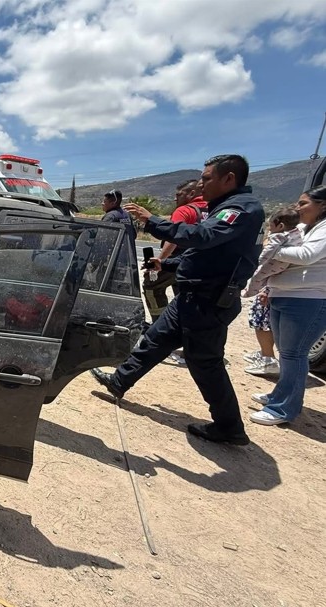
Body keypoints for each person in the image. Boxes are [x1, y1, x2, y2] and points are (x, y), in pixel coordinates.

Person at [91, 154, 264, 446]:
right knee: (156, 339)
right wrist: (167, 265)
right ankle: (119, 381)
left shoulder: (242, 210)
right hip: (193, 296)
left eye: (207, 178)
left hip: (209, 302)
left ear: (229, 178)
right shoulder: (226, 207)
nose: (201, 185)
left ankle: (229, 427)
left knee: (205, 363)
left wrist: (152, 220)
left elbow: (203, 237)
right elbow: (206, 254)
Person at [249, 186, 326, 426]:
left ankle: (284, 409)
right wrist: (268, 289)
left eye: (304, 203)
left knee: (295, 354)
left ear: (322, 205)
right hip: (283, 295)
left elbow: (306, 256)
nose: (298, 207)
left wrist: (272, 250)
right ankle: (279, 396)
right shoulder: (303, 228)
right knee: (287, 352)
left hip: (308, 299)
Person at [241, 207, 302, 376]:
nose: (270, 229)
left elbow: (266, 254)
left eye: (271, 226)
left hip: (272, 284)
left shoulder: (278, 238)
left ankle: (268, 359)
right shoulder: (297, 235)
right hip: (278, 281)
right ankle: (264, 353)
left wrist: (255, 259)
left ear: (280, 225)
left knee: (261, 320)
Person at [143, 179, 208, 322]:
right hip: (200, 264)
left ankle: (160, 321)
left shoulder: (184, 210)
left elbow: (172, 239)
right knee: (184, 293)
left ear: (191, 193)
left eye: (179, 195)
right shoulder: (213, 210)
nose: (175, 198)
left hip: (177, 261)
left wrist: (158, 263)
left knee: (151, 284)